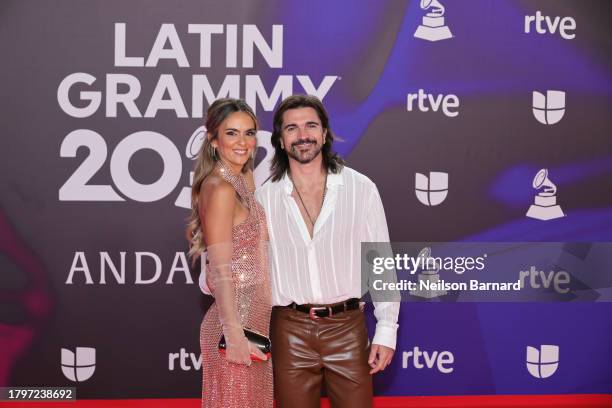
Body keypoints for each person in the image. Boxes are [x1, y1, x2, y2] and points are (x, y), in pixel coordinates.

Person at [256, 94, 400, 407]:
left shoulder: (360, 189)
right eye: (291, 128)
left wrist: (387, 329)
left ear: (324, 133)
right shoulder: (263, 198)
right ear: (280, 139)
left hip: (347, 328)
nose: (302, 135)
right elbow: (251, 268)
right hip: (289, 330)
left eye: (310, 125)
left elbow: (381, 265)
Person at [187, 98, 272, 407]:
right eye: (232, 133)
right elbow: (220, 269)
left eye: (249, 133)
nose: (243, 142)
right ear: (213, 139)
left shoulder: (243, 181)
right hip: (234, 325)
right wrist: (234, 334)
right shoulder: (219, 188)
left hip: (256, 322)